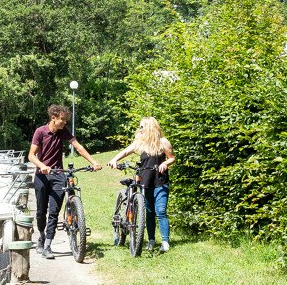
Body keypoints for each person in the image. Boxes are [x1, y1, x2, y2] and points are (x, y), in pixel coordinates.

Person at [28, 103, 101, 259]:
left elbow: (78, 147)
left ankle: (47, 245)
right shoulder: (40, 132)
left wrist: (93, 161)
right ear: (53, 118)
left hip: (58, 175)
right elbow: (31, 155)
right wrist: (42, 165)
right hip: (42, 175)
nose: (64, 123)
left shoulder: (64, 131)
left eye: (66, 120)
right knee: (41, 212)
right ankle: (41, 236)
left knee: (54, 212)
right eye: (62, 119)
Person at [108, 117, 176, 253]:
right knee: (149, 212)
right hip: (145, 182)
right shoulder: (140, 143)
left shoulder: (163, 142)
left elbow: (172, 158)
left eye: (142, 127)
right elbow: (125, 151)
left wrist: (165, 163)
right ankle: (151, 240)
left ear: (150, 128)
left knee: (161, 211)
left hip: (160, 181)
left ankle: (165, 242)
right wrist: (114, 159)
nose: (139, 129)